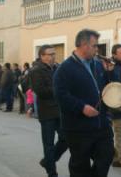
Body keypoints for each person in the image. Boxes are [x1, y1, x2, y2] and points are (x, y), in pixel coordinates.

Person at [53, 29, 114, 177]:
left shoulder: (98, 64)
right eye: (94, 46)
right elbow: (60, 95)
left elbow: (106, 89)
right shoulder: (65, 68)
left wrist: (110, 73)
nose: (97, 49)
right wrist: (81, 107)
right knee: (80, 166)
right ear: (84, 45)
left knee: (106, 157)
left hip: (101, 124)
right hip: (78, 127)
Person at [31, 45, 68, 177]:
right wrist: (59, 90)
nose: (53, 56)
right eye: (50, 54)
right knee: (48, 144)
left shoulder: (58, 68)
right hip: (47, 113)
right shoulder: (36, 70)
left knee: (66, 138)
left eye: (54, 54)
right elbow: (40, 91)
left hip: (60, 111)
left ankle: (48, 161)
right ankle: (52, 172)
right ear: (42, 56)